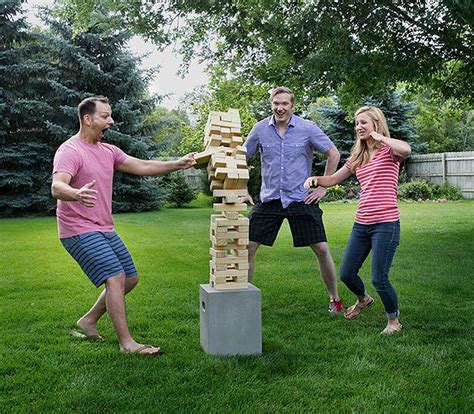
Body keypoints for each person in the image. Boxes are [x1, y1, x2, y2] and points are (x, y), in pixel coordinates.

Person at [51, 96, 195, 355]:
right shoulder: (70, 151)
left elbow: (143, 165)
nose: (111, 121)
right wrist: (75, 193)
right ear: (88, 119)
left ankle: (88, 321)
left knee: (130, 278)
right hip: (77, 228)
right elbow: (57, 186)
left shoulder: (109, 151)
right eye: (105, 116)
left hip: (103, 227)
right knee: (115, 277)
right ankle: (127, 344)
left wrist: (177, 164)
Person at [304, 106, 411, 334]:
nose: (358, 127)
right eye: (357, 123)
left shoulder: (389, 152)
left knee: (379, 277)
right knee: (347, 273)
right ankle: (363, 299)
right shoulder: (358, 157)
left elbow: (407, 149)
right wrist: (316, 179)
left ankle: (394, 321)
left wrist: (381, 137)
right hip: (362, 223)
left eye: (363, 122)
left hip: (386, 223)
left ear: (376, 124)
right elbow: (333, 179)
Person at [242, 86, 343, 313]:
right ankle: (242, 297)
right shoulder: (259, 129)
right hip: (270, 200)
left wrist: (324, 187)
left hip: (301, 198)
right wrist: (242, 187)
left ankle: (334, 299)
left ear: (293, 106)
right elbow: (241, 157)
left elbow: (333, 153)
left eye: (285, 103)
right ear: (271, 104)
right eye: (276, 103)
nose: (280, 108)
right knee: (247, 246)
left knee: (322, 248)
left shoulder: (308, 128)